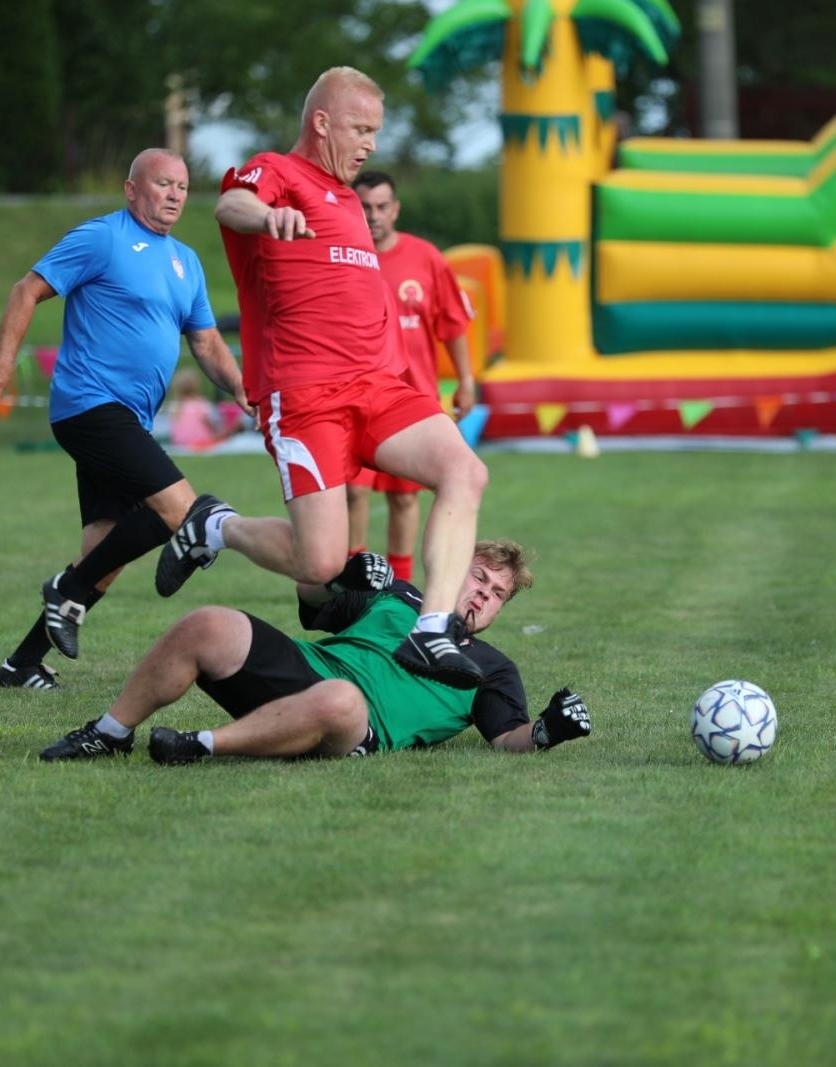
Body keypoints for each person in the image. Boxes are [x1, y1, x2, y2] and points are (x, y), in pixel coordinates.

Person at [155, 66, 490, 690]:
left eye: (376, 133)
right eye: (361, 129)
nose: (370, 145)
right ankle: (215, 525)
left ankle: (430, 631)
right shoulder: (278, 172)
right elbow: (232, 202)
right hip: (306, 397)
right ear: (322, 122)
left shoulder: (348, 201)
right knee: (320, 560)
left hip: (379, 387)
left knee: (465, 470)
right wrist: (265, 218)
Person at [0, 148, 245, 689]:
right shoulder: (103, 238)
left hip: (128, 421)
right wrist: (0, 370)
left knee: (104, 553)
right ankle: (65, 591)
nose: (174, 195)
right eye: (162, 184)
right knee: (180, 511)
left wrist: (240, 387)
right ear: (131, 190)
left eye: (182, 187)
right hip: (90, 405)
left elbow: (206, 341)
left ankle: (21, 664)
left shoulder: (186, 260)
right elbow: (27, 290)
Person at [38, 540, 592, 762]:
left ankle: (203, 746)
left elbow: (507, 739)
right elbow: (311, 604)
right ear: (452, 569)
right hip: (306, 668)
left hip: (352, 725)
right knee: (208, 622)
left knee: (343, 700)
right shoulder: (400, 597)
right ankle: (108, 733)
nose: (482, 594)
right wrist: (340, 578)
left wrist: (547, 731)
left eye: (496, 593)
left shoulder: (492, 668)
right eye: (477, 577)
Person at [344, 169, 477, 583]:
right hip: (356, 396)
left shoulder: (426, 258)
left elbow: (453, 325)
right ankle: (351, 582)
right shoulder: (341, 256)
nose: (373, 215)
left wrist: (466, 381)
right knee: (354, 490)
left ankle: (399, 584)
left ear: (395, 209)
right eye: (364, 207)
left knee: (405, 499)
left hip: (412, 399)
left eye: (382, 207)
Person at [165, 366, 231, 451]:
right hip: (202, 443)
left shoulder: (174, 407)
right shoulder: (201, 405)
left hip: (179, 443)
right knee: (227, 432)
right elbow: (213, 427)